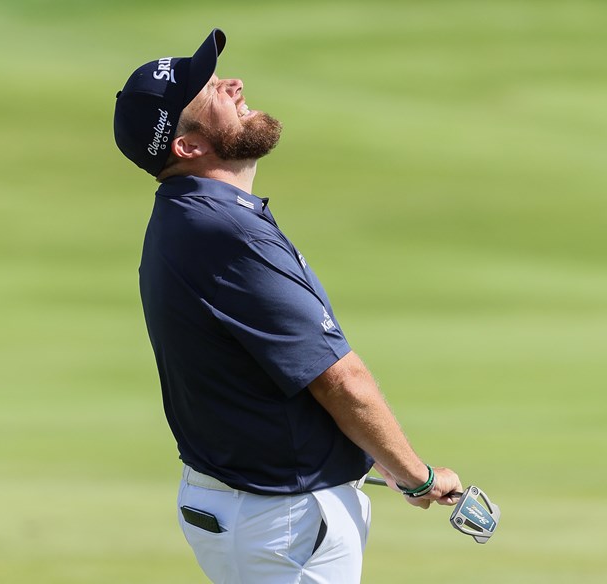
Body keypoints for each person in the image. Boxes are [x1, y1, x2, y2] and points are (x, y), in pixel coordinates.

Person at [113, 29, 463, 584]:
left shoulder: (188, 218)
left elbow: (264, 370)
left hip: (253, 508)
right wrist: (415, 475)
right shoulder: (224, 231)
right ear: (187, 145)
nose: (234, 84)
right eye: (210, 92)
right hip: (283, 518)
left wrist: (378, 462)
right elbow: (340, 379)